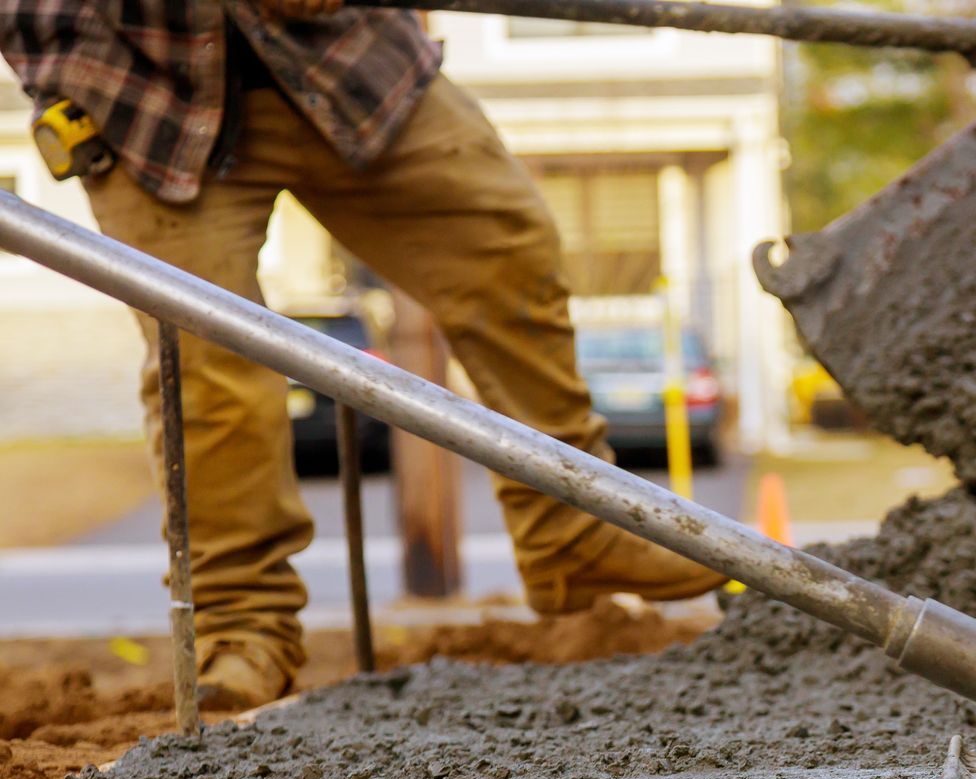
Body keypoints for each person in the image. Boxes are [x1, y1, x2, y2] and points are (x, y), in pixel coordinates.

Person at [1, 0, 726, 708]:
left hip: (348, 62)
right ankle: (240, 626)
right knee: (204, 362)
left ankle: (577, 535)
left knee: (508, 249)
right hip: (144, 90)